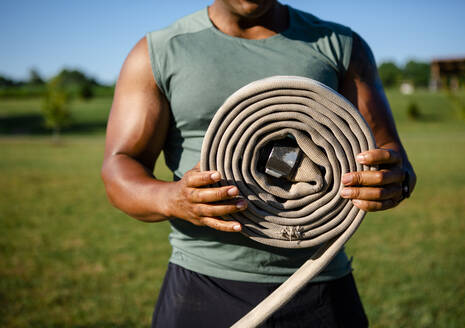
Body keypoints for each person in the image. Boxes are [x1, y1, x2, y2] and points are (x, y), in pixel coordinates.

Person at [101, 0, 416, 327]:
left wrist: (396, 180)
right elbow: (119, 165)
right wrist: (172, 199)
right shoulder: (160, 51)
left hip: (319, 280)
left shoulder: (340, 45)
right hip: (203, 285)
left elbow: (393, 157)